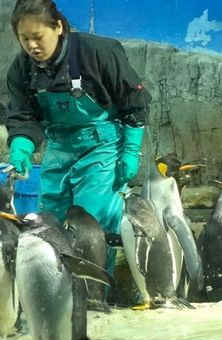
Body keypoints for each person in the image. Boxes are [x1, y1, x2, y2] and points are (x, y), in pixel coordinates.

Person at [5, 0, 150, 238]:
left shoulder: (96, 53)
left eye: (38, 36)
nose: (31, 45)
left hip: (101, 144)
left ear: (59, 27)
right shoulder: (21, 69)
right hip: (59, 146)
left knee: (91, 219)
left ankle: (98, 274)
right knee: (51, 218)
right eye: (24, 38)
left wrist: (131, 150)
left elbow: (133, 100)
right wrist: (21, 143)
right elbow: (23, 114)